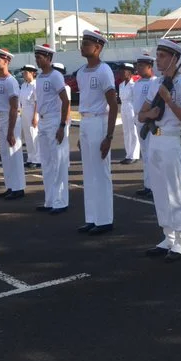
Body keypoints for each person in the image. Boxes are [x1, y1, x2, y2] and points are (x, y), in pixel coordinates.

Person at [138, 39, 181, 262]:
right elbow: (141, 114)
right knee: (160, 192)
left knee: (174, 192)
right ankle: (167, 237)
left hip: (172, 141)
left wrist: (169, 101)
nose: (157, 59)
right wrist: (149, 115)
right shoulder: (155, 83)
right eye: (158, 54)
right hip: (155, 141)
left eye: (162, 55)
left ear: (174, 58)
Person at [76, 30, 118, 235]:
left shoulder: (104, 71)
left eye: (86, 43)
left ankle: (105, 220)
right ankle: (92, 218)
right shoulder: (81, 72)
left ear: (98, 47)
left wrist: (109, 137)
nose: (82, 46)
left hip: (99, 122)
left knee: (101, 173)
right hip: (85, 123)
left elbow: (113, 104)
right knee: (89, 174)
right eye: (82, 43)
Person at [33, 45, 71, 214]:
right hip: (42, 121)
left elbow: (65, 101)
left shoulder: (55, 76)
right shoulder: (40, 77)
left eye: (40, 57)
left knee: (59, 162)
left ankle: (61, 201)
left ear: (49, 58)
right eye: (36, 56)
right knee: (46, 163)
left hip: (54, 121)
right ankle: (50, 200)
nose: (37, 60)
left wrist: (62, 125)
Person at [0, 48, 25, 200]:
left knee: (13, 154)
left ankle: (19, 188)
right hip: (0, 118)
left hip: (9, 119)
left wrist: (11, 131)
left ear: (6, 62)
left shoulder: (11, 82)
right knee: (5, 155)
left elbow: (14, 107)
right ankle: (10, 185)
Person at [133, 54, 157, 197]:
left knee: (151, 155)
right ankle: (148, 185)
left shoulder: (155, 82)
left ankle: (154, 186)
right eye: (138, 65)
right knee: (145, 155)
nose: (138, 68)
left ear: (149, 66)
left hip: (149, 122)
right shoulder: (137, 83)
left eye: (141, 65)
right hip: (138, 120)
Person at [19, 65, 41, 169]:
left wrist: (35, 116)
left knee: (34, 136)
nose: (24, 74)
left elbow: (37, 101)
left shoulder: (35, 85)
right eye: (23, 72)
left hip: (33, 111)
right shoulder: (24, 85)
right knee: (27, 136)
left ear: (33, 73)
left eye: (26, 72)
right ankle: (30, 158)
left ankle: (37, 159)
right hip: (25, 112)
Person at [118, 62, 140, 164]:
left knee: (133, 131)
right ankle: (128, 154)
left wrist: (136, 112)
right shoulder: (121, 85)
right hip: (123, 107)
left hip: (132, 107)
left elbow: (136, 99)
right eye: (121, 71)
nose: (121, 73)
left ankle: (134, 155)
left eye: (124, 71)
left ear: (130, 73)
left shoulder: (134, 84)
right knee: (126, 131)